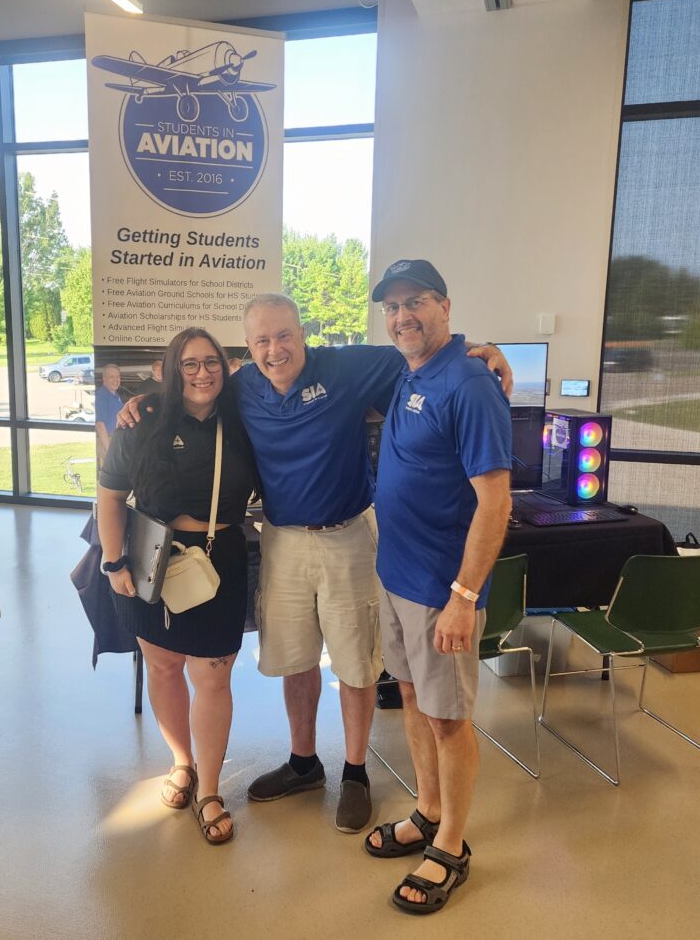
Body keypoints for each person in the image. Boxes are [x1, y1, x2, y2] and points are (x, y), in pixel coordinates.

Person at [119, 295, 513, 836]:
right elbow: (191, 389)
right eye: (261, 341)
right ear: (249, 349)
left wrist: (478, 350)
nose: (275, 350)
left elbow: (420, 350)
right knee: (297, 658)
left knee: (353, 662)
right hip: (281, 539)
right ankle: (303, 762)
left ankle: (354, 772)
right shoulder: (243, 385)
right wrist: (139, 402)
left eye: (284, 336)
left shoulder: (345, 366)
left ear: (302, 333)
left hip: (347, 534)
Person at [365, 260, 513, 915]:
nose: (402, 316)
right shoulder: (412, 366)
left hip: (438, 589)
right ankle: (428, 810)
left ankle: (450, 844)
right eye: (393, 306)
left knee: (449, 717)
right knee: (418, 703)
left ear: (445, 305)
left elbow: (496, 502)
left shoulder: (471, 384)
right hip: (397, 576)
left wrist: (462, 594)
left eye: (415, 301)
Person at [96, 329, 258, 845]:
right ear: (171, 369)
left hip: (218, 561)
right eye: (189, 364)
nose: (202, 372)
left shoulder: (244, 417)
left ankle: (209, 791)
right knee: (164, 666)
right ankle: (182, 763)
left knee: (212, 678)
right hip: (150, 559)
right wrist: (114, 561)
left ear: (227, 367)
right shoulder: (141, 421)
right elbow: (110, 495)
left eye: (212, 362)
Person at [95, 363, 125, 465]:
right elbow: (100, 425)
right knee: (108, 478)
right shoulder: (101, 396)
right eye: (112, 377)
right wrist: (109, 451)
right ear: (104, 378)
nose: (116, 380)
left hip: (116, 441)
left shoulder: (116, 395)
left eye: (118, 377)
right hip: (107, 441)